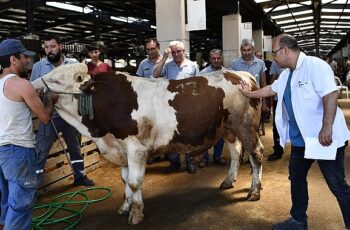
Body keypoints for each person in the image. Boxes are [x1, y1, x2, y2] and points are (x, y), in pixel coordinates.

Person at [240, 34, 350, 230]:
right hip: (301, 141)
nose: (273, 57)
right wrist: (249, 93)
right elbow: (271, 89)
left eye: (274, 53)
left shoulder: (315, 66)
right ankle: (298, 220)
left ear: (285, 51)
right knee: (296, 177)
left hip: (323, 138)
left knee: (336, 184)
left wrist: (326, 127)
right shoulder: (287, 74)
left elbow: (330, 94)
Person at [0, 39, 58, 229]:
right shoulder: (22, 84)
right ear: (13, 59)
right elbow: (44, 117)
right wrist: (50, 100)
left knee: (6, 200)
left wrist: (34, 97)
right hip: (19, 152)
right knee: (21, 205)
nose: (28, 61)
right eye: (24, 57)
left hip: (2, 152)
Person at [31, 35, 95, 186]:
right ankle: (34, 184)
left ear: (60, 46)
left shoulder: (73, 64)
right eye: (46, 47)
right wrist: (39, 95)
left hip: (71, 115)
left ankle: (79, 176)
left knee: (75, 147)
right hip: (50, 115)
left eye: (52, 47)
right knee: (41, 149)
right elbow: (32, 90)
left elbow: (85, 86)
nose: (49, 50)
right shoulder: (38, 67)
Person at [153, 40, 199, 174]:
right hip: (171, 107)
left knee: (189, 135)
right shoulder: (167, 66)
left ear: (184, 51)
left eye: (179, 51)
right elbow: (155, 75)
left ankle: (190, 161)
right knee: (172, 135)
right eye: (173, 52)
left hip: (189, 106)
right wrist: (164, 57)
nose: (176, 54)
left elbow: (199, 86)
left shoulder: (192, 66)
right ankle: (175, 162)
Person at [198, 49, 226, 168]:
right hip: (206, 110)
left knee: (220, 133)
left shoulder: (228, 73)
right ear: (210, 59)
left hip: (222, 109)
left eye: (218, 58)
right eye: (213, 58)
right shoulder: (202, 74)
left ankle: (217, 156)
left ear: (222, 59)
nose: (216, 61)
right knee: (205, 134)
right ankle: (204, 158)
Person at [229, 38, 267, 111]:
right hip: (239, 100)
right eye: (244, 50)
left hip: (256, 99)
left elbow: (263, 83)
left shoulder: (260, 63)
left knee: (256, 121)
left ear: (253, 49)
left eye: (249, 50)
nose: (246, 53)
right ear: (241, 50)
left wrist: (264, 102)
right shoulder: (234, 64)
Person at [267, 61, 286, 161]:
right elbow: (273, 79)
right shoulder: (276, 62)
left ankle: (301, 150)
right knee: (277, 124)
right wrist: (271, 98)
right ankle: (278, 150)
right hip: (278, 99)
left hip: (296, 100)